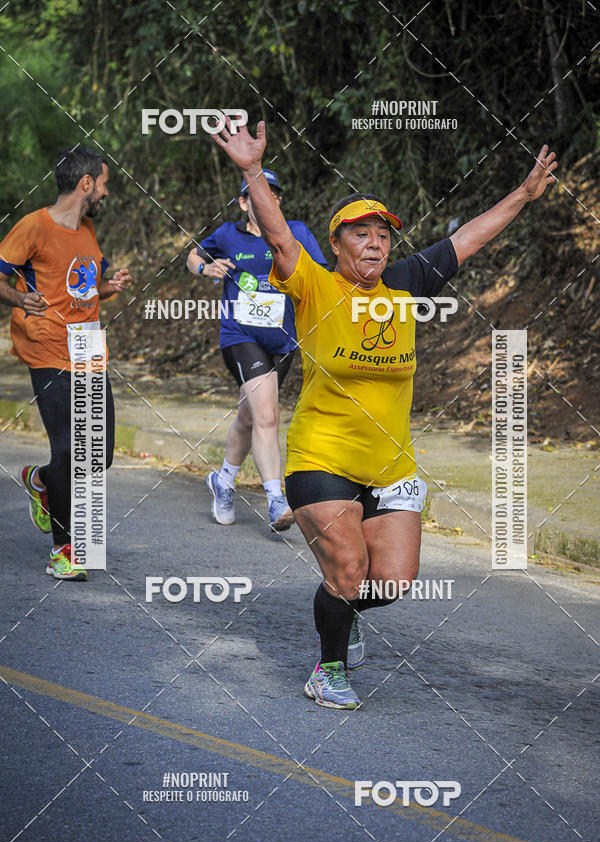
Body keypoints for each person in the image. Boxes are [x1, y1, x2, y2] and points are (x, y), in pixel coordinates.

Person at [212, 120, 558, 709]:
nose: (375, 243)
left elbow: (469, 239)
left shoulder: (403, 285)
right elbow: (277, 238)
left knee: (392, 581)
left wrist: (523, 195)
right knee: (347, 567)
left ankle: (343, 616)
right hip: (322, 458)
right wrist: (251, 169)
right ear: (338, 243)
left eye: (383, 235)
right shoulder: (314, 286)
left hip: (391, 466)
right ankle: (329, 668)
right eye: (361, 234)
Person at [0, 146, 131, 580]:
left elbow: (84, 287)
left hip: (89, 350)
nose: (107, 193)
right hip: (46, 348)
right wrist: (21, 298)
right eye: (105, 183)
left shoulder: (88, 230)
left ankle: (40, 480)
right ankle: (64, 550)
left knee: (101, 454)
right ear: (86, 183)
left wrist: (111, 285)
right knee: (70, 449)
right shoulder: (34, 225)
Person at [186, 169, 328, 531]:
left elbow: (321, 276)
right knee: (267, 415)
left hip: (282, 341)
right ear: (244, 202)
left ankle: (224, 479)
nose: (270, 199)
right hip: (240, 337)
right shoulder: (227, 235)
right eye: (260, 193)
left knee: (249, 416)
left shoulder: (296, 233)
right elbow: (193, 256)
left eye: (275, 194)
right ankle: (276, 499)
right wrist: (206, 268)